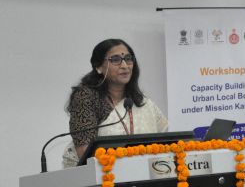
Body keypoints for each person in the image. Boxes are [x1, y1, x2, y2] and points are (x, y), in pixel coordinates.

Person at [62, 39, 168, 167]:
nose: (124, 65)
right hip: (100, 178)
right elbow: (85, 154)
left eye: (128, 59)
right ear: (99, 67)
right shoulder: (86, 97)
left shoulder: (142, 101)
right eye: (115, 60)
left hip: (142, 173)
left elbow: (168, 140)